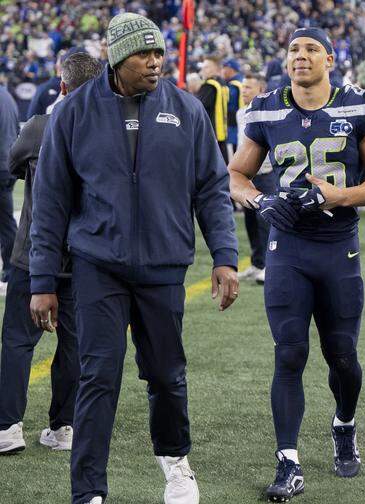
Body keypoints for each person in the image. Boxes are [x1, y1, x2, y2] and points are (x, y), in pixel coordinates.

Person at [29, 12, 239, 504]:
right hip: (97, 265)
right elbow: (51, 201)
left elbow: (211, 189)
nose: (155, 62)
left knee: (167, 374)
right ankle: (88, 492)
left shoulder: (187, 110)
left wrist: (225, 257)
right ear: (117, 57)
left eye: (159, 53)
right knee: (98, 375)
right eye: (144, 54)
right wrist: (42, 279)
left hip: (164, 267)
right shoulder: (75, 111)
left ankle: (176, 463)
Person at [227, 27, 365, 502]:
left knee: (342, 356)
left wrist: (338, 196)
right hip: (288, 247)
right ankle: (288, 461)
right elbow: (237, 175)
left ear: (329, 58)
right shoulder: (266, 107)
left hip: (337, 245)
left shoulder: (357, 105)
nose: (300, 57)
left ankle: (344, 423)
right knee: (288, 353)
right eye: (293, 50)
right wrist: (260, 202)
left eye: (310, 50)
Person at [0, 52, 103, 456]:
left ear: (61, 86)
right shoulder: (106, 132)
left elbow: (12, 165)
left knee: (17, 341)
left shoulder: (39, 126)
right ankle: (63, 426)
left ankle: (8, 426)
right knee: (74, 344)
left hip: (33, 252)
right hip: (82, 255)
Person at [235, 73, 276, 284]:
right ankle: (257, 263)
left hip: (267, 173)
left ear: (261, 90)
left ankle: (270, 265)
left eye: (249, 88)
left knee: (265, 220)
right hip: (247, 176)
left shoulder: (269, 111)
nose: (244, 91)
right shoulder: (241, 112)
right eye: (243, 87)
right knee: (250, 221)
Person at [0, 83, 19, 292]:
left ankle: (11, 268)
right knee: (5, 221)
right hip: (8, 164)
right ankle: (10, 267)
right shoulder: (7, 95)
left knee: (6, 224)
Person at [197, 55, 229, 162]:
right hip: (222, 133)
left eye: (206, 67)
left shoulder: (209, 86)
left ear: (216, 69)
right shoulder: (222, 83)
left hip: (210, 133)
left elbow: (198, 107)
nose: (203, 70)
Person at [222, 58, 244, 159]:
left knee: (234, 154)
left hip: (234, 124)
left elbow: (228, 104)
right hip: (241, 122)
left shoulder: (234, 85)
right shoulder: (241, 80)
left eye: (224, 68)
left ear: (230, 69)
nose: (222, 71)